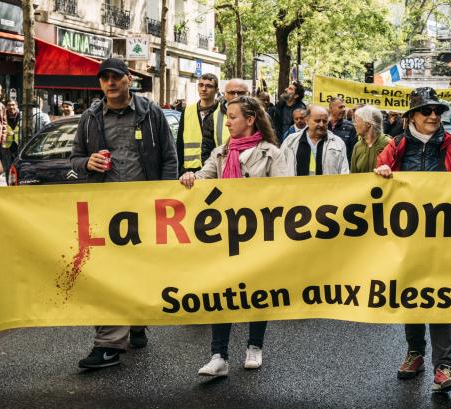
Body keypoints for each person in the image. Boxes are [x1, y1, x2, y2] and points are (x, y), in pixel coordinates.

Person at [373, 87, 451, 393]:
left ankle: (443, 366)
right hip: (408, 236)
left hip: (442, 237)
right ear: (412, 116)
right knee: (412, 294)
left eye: (437, 111)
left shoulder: (450, 145)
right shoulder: (397, 145)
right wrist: (382, 172)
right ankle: (415, 353)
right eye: (427, 111)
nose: (433, 116)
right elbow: (374, 178)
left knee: (440, 295)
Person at [69, 58, 177, 369]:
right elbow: (75, 158)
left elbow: (169, 158)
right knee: (108, 273)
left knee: (140, 268)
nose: (110, 83)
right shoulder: (90, 118)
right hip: (106, 208)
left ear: (129, 79)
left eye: (116, 77)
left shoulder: (150, 113)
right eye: (105, 78)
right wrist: (87, 163)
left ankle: (137, 321)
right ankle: (108, 344)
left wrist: (164, 198)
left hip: (145, 207)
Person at [179, 96, 292, 375]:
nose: (227, 122)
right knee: (223, 290)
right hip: (225, 236)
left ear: (250, 120)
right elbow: (204, 178)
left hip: (259, 235)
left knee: (257, 289)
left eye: (232, 117)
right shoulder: (220, 154)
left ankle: (255, 346)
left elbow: (285, 193)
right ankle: (219, 355)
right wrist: (191, 178)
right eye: (227, 117)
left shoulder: (272, 154)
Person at [177, 73, 226, 174]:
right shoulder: (187, 111)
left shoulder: (224, 111)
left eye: (209, 86)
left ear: (217, 90)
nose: (204, 89)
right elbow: (180, 143)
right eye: (201, 85)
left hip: (217, 169)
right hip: (191, 171)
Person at [280, 105, 350, 175]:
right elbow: (280, 168)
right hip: (296, 185)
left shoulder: (338, 143)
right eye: (317, 121)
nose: (321, 124)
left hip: (329, 185)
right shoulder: (290, 141)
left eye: (325, 121)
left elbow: (344, 171)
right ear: (307, 120)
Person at [351, 105, 389, 173]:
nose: (354, 124)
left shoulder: (389, 144)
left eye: (357, 121)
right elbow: (353, 175)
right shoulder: (357, 147)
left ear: (368, 124)